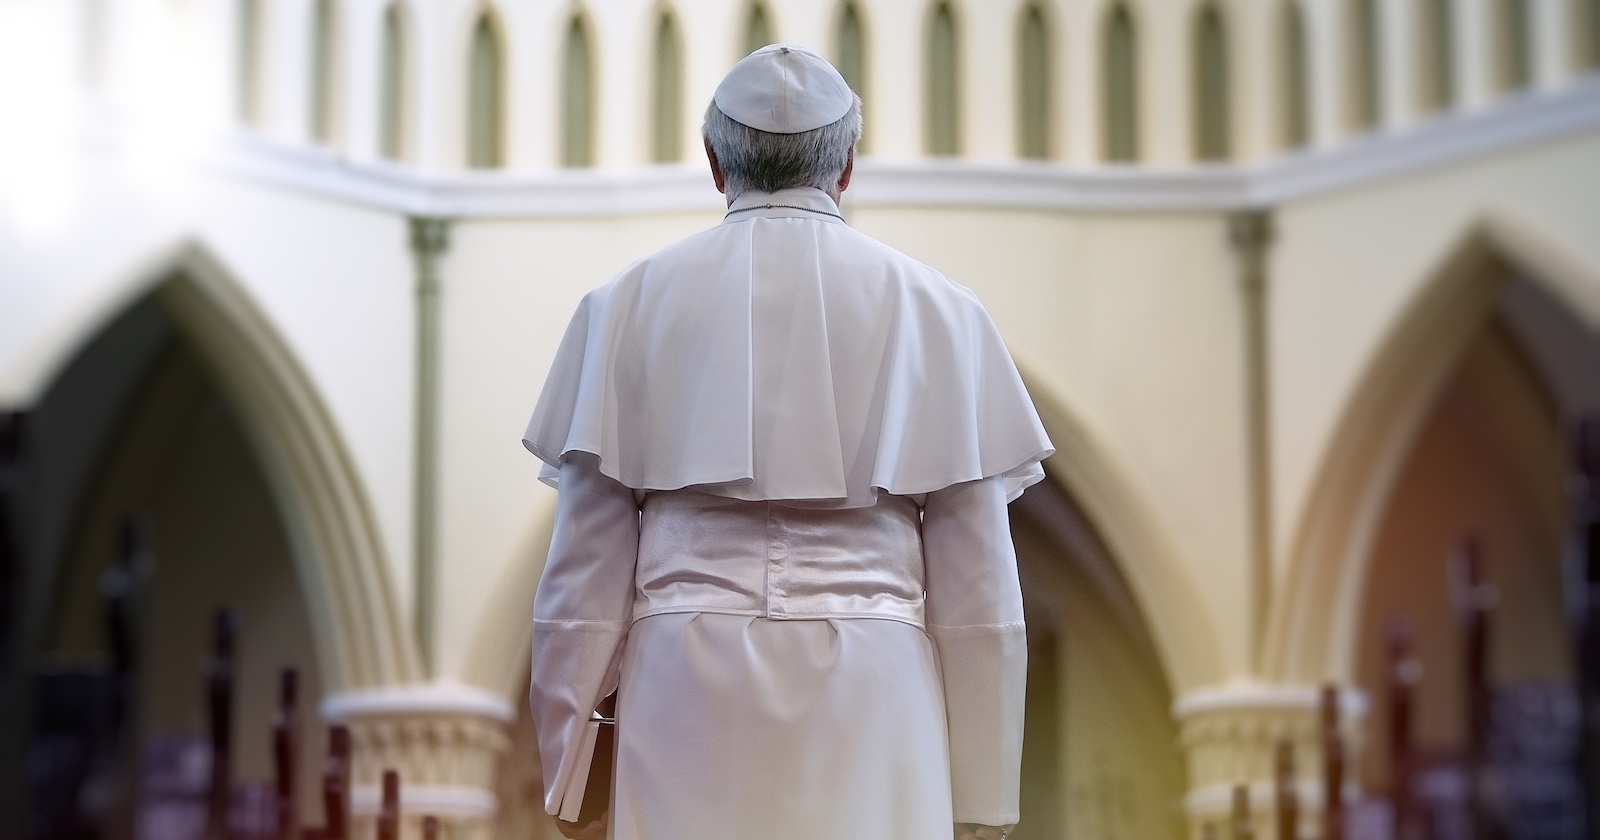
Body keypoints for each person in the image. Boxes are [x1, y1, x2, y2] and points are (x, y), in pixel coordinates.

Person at [523, 44, 1052, 840]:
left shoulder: (624, 306)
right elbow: (978, 590)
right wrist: (984, 797)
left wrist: (570, 775)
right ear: (848, 166)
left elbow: (580, 586)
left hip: (684, 687)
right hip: (876, 687)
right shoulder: (940, 311)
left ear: (713, 165)